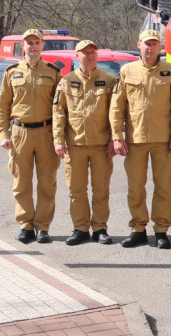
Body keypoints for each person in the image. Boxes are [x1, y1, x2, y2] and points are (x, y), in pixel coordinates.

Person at [110, 30, 171, 249]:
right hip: (135, 139)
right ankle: (138, 229)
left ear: (159, 47)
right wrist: (117, 136)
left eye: (154, 44)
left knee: (163, 187)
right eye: (146, 44)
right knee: (136, 187)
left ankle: (161, 230)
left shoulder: (170, 71)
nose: (150, 48)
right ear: (138, 45)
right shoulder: (126, 71)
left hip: (163, 140)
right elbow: (117, 107)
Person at [0, 29, 61, 244]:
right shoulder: (12, 72)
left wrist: (59, 137)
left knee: (47, 182)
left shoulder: (53, 72)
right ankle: (26, 225)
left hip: (46, 132)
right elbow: (2, 106)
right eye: (29, 43)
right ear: (22, 46)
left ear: (42, 45)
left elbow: (60, 107)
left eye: (36, 42)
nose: (33, 46)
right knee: (21, 182)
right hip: (19, 133)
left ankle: (42, 227)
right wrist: (3, 133)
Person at [52, 40, 116, 246]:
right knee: (76, 190)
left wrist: (115, 139)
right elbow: (58, 113)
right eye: (85, 53)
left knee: (101, 189)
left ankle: (100, 228)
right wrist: (58, 140)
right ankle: (80, 228)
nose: (90, 55)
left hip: (101, 145)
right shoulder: (66, 81)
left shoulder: (109, 80)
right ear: (76, 56)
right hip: (74, 146)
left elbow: (116, 113)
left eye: (93, 52)